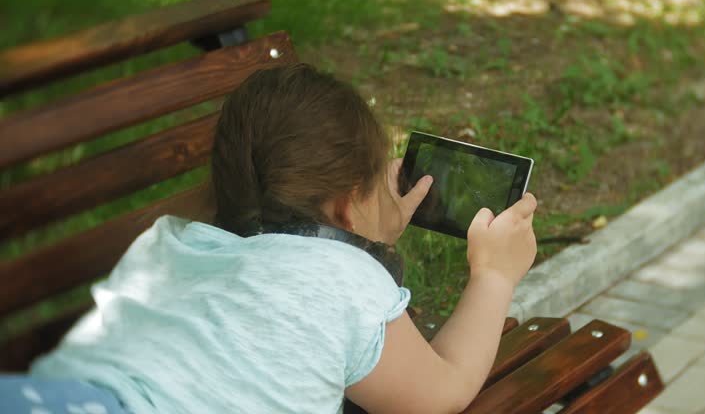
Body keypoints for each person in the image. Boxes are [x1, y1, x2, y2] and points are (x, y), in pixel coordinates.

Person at [13, 64, 538, 413]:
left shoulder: (164, 245)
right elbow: (440, 395)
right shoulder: (349, 281)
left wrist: (367, 228)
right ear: (345, 204)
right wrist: (493, 277)